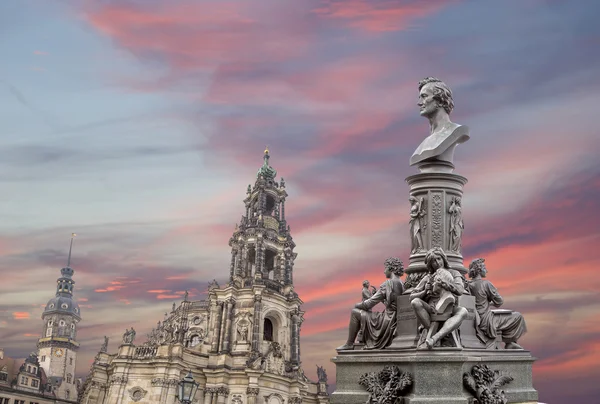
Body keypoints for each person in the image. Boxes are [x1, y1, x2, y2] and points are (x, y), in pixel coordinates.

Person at [337, 257, 405, 350]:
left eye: (385, 268)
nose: (384, 271)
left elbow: (368, 304)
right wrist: (381, 299)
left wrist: (357, 305)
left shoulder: (388, 284)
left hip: (387, 321)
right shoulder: (402, 283)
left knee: (354, 312)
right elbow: (392, 304)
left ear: (391, 268)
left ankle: (349, 344)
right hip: (395, 319)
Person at [410, 247, 468, 349]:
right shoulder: (427, 277)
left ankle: (435, 337)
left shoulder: (454, 273)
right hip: (431, 309)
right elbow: (411, 297)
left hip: (449, 308)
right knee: (415, 302)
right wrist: (424, 292)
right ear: (430, 264)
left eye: (438, 259)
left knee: (463, 311)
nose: (437, 263)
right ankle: (437, 332)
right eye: (433, 261)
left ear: (443, 259)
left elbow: (459, 290)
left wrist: (445, 283)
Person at [410, 77, 470, 168]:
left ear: (440, 99)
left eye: (424, 96)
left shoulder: (457, 130)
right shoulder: (425, 143)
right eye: (419, 98)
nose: (419, 103)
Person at [468, 258, 527, 349]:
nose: (486, 271)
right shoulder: (486, 284)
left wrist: (486, 303)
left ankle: (510, 343)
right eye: (484, 268)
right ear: (479, 270)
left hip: (477, 318)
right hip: (487, 320)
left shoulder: (468, 284)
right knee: (518, 316)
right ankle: (509, 342)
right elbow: (499, 302)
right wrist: (489, 302)